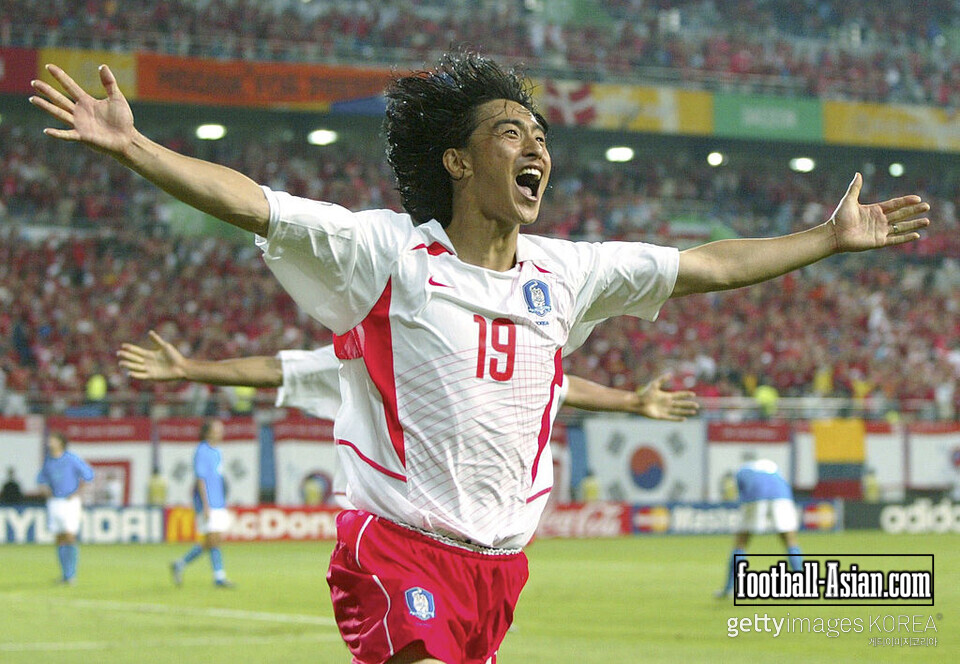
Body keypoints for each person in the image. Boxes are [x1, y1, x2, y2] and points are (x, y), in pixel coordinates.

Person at [30, 53, 928, 664]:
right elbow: (257, 205)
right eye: (511, 132)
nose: (536, 145)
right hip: (398, 553)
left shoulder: (568, 273)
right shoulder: (389, 255)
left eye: (541, 135)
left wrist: (823, 239)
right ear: (457, 160)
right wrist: (137, 147)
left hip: (500, 568)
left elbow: (711, 263)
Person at [715, 459, 803, 598]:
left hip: (755, 496)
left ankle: (729, 588)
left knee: (741, 541)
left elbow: (742, 495)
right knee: (790, 540)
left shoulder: (741, 471)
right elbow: (783, 485)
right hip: (782, 497)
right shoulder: (773, 466)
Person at [170, 419, 235, 588]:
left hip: (219, 502)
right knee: (213, 539)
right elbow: (201, 479)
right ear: (208, 432)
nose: (221, 432)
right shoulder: (202, 451)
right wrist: (206, 505)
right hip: (207, 504)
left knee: (214, 540)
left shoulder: (217, 452)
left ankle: (180, 563)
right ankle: (219, 577)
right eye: (217, 429)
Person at [36, 431, 94, 585]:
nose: (50, 442)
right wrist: (46, 491)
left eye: (52, 439)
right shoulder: (48, 460)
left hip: (69, 502)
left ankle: (71, 574)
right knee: (59, 537)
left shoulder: (71, 458)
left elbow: (88, 475)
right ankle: (65, 575)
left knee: (69, 535)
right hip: (54, 502)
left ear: (60, 442)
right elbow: (41, 479)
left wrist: (77, 492)